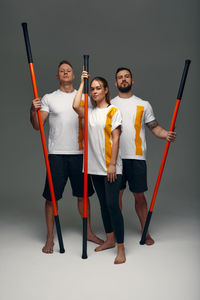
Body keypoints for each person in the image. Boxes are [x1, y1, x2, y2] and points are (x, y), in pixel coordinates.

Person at [30, 60, 103, 254]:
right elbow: (38, 125)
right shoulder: (49, 98)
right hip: (57, 155)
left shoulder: (86, 98)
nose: (65, 73)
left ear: (73, 75)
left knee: (84, 196)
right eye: (61, 70)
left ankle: (88, 232)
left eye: (68, 70)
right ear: (57, 76)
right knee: (52, 198)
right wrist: (32, 110)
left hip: (81, 154)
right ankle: (49, 237)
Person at [111, 67, 176, 245]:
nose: (123, 80)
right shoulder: (109, 104)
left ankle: (145, 231)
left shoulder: (143, 104)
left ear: (132, 81)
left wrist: (166, 134)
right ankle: (117, 232)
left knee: (139, 196)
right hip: (114, 158)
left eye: (127, 77)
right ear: (115, 83)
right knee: (116, 196)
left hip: (136, 157)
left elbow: (154, 127)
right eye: (120, 77)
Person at [73, 71, 126, 264]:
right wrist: (82, 83)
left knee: (113, 205)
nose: (94, 92)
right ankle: (110, 240)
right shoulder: (89, 112)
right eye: (92, 89)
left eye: (98, 88)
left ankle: (121, 248)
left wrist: (112, 164)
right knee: (104, 205)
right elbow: (74, 105)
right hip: (94, 167)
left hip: (110, 167)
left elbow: (117, 137)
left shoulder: (113, 111)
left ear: (106, 90)